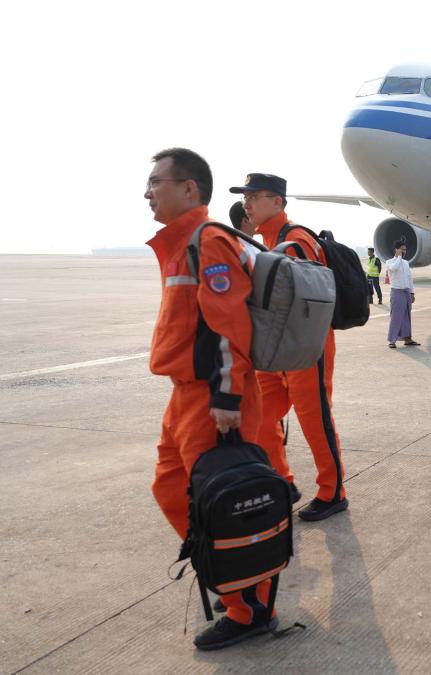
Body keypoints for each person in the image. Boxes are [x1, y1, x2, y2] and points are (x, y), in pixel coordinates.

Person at [144, 148, 277, 649]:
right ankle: (232, 574)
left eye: (156, 182)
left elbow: (227, 325)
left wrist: (227, 395)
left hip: (213, 398)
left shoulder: (209, 241)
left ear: (189, 189)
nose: (147, 192)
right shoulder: (181, 243)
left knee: (225, 506)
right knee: (170, 487)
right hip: (184, 395)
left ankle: (250, 609)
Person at [231, 173, 348, 523]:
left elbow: (313, 300)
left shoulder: (297, 240)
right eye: (245, 198)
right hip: (275, 350)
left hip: (305, 347)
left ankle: (333, 492)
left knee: (315, 421)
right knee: (258, 417)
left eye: (254, 197)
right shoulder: (268, 241)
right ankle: (281, 482)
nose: (247, 204)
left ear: (277, 202)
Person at [386, 239, 421, 348]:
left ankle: (408, 339)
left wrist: (412, 292)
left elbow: (409, 278)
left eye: (405, 250)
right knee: (396, 316)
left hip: (406, 292)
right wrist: (399, 257)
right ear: (396, 250)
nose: (404, 251)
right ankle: (392, 340)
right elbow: (394, 268)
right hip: (397, 291)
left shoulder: (406, 263)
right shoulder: (390, 262)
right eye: (402, 249)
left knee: (407, 316)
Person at [228, 200, 260, 265]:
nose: (260, 219)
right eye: (255, 216)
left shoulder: (256, 247)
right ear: (245, 221)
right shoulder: (237, 249)